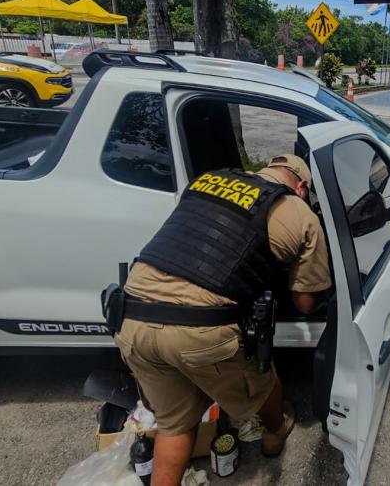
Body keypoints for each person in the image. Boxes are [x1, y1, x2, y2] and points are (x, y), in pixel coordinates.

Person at [113, 154, 331, 486]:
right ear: (301, 187)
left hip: (132, 316)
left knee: (174, 425)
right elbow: (304, 303)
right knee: (264, 380)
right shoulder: (298, 212)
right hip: (200, 329)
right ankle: (275, 433)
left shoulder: (207, 180)